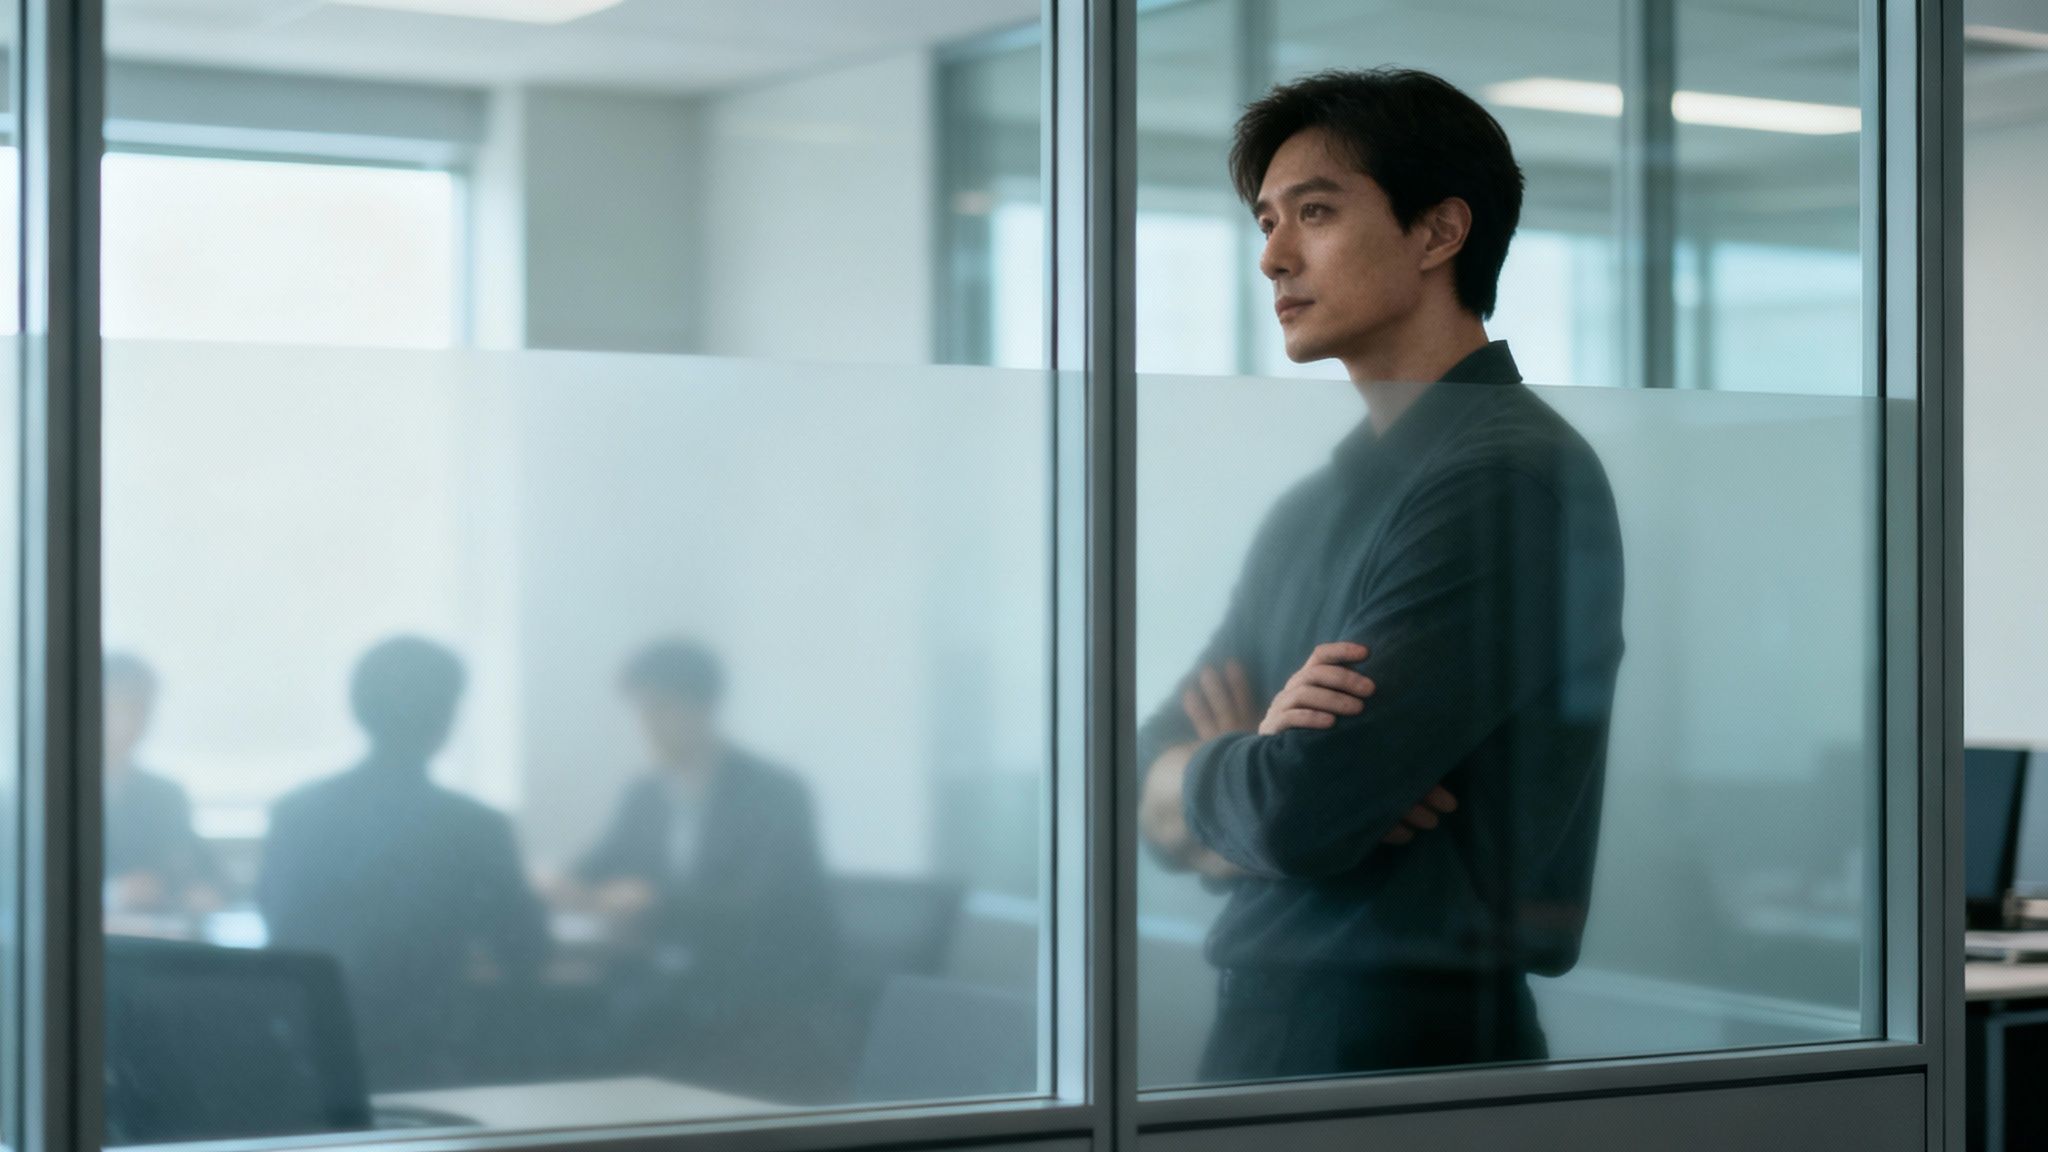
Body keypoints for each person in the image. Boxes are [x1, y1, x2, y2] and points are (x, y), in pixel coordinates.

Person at [1136, 68, 1626, 1081]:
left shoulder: (1504, 480)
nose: (1272, 258)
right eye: (1265, 221)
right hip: (1265, 1033)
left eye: (1313, 213)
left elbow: (1298, 806)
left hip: (1410, 1056)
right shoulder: (1315, 504)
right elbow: (1141, 770)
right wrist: (1247, 771)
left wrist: (1233, 786)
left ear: (1437, 233)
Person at [258, 636, 548, 1090]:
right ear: (445, 719)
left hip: (309, 1052)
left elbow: (281, 929)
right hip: (432, 1055)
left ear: (359, 708)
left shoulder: (296, 815)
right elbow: (526, 951)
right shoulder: (475, 826)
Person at [555, 638, 836, 1093]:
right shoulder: (645, 794)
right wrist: (559, 881)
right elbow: (596, 867)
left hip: (754, 997)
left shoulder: (774, 793)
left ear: (704, 708)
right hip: (663, 988)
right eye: (640, 712)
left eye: (660, 710)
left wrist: (653, 903)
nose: (646, 726)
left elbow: (760, 906)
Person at [103, 652, 224, 920]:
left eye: (143, 708)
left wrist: (200, 891)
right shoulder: (44, 794)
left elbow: (200, 870)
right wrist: (110, 895)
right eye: (123, 706)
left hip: (156, 942)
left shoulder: (166, 795)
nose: (134, 721)